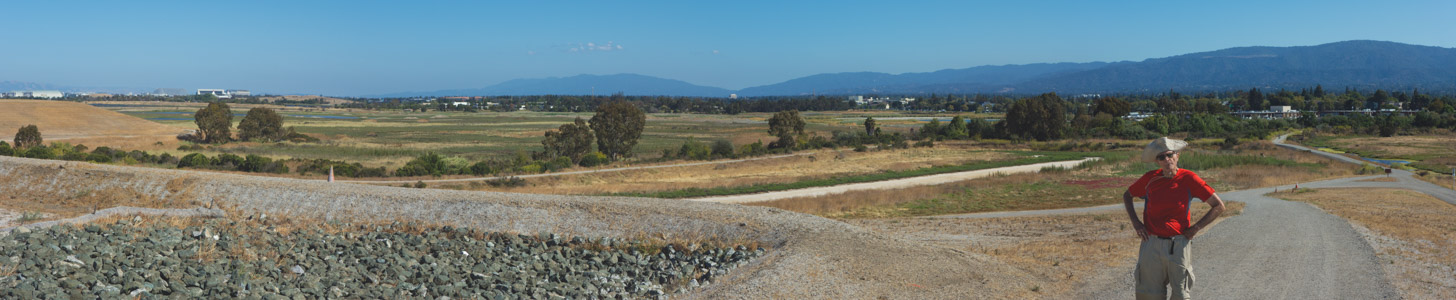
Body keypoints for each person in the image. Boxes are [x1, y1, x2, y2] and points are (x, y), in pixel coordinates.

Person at [1123, 137, 1225, 300]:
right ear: (1157, 161)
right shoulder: (1150, 179)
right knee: (1149, 295)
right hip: (1151, 243)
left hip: (1179, 243)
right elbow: (1127, 195)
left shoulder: (1189, 178)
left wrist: (1196, 228)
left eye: (1169, 155)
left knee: (1181, 294)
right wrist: (1136, 223)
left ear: (1177, 156)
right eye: (1161, 157)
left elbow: (1218, 206)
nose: (1166, 160)